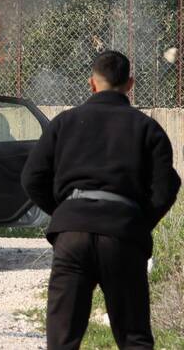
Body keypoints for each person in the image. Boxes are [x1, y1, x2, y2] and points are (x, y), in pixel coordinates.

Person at [21, 51, 181, 349]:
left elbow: (32, 177)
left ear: (92, 84)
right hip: (122, 237)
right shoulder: (148, 129)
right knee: (134, 338)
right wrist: (136, 222)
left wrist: (67, 213)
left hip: (72, 238)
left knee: (62, 340)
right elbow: (167, 187)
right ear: (130, 84)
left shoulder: (64, 123)